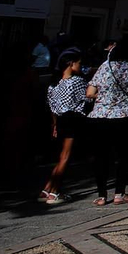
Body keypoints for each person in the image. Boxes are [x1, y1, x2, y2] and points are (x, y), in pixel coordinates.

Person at [86, 37, 128, 206]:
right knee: (124, 156)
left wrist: (105, 97)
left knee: (101, 156)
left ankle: (101, 195)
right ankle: (120, 193)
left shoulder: (104, 66)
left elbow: (90, 92)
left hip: (100, 116)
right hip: (125, 116)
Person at [41, 50, 88, 204]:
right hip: (73, 118)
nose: (81, 66)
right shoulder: (76, 82)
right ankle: (55, 192)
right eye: (79, 63)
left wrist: (54, 124)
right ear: (71, 64)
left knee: (61, 156)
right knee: (66, 157)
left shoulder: (54, 84)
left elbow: (51, 107)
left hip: (60, 120)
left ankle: (47, 188)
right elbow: (88, 96)